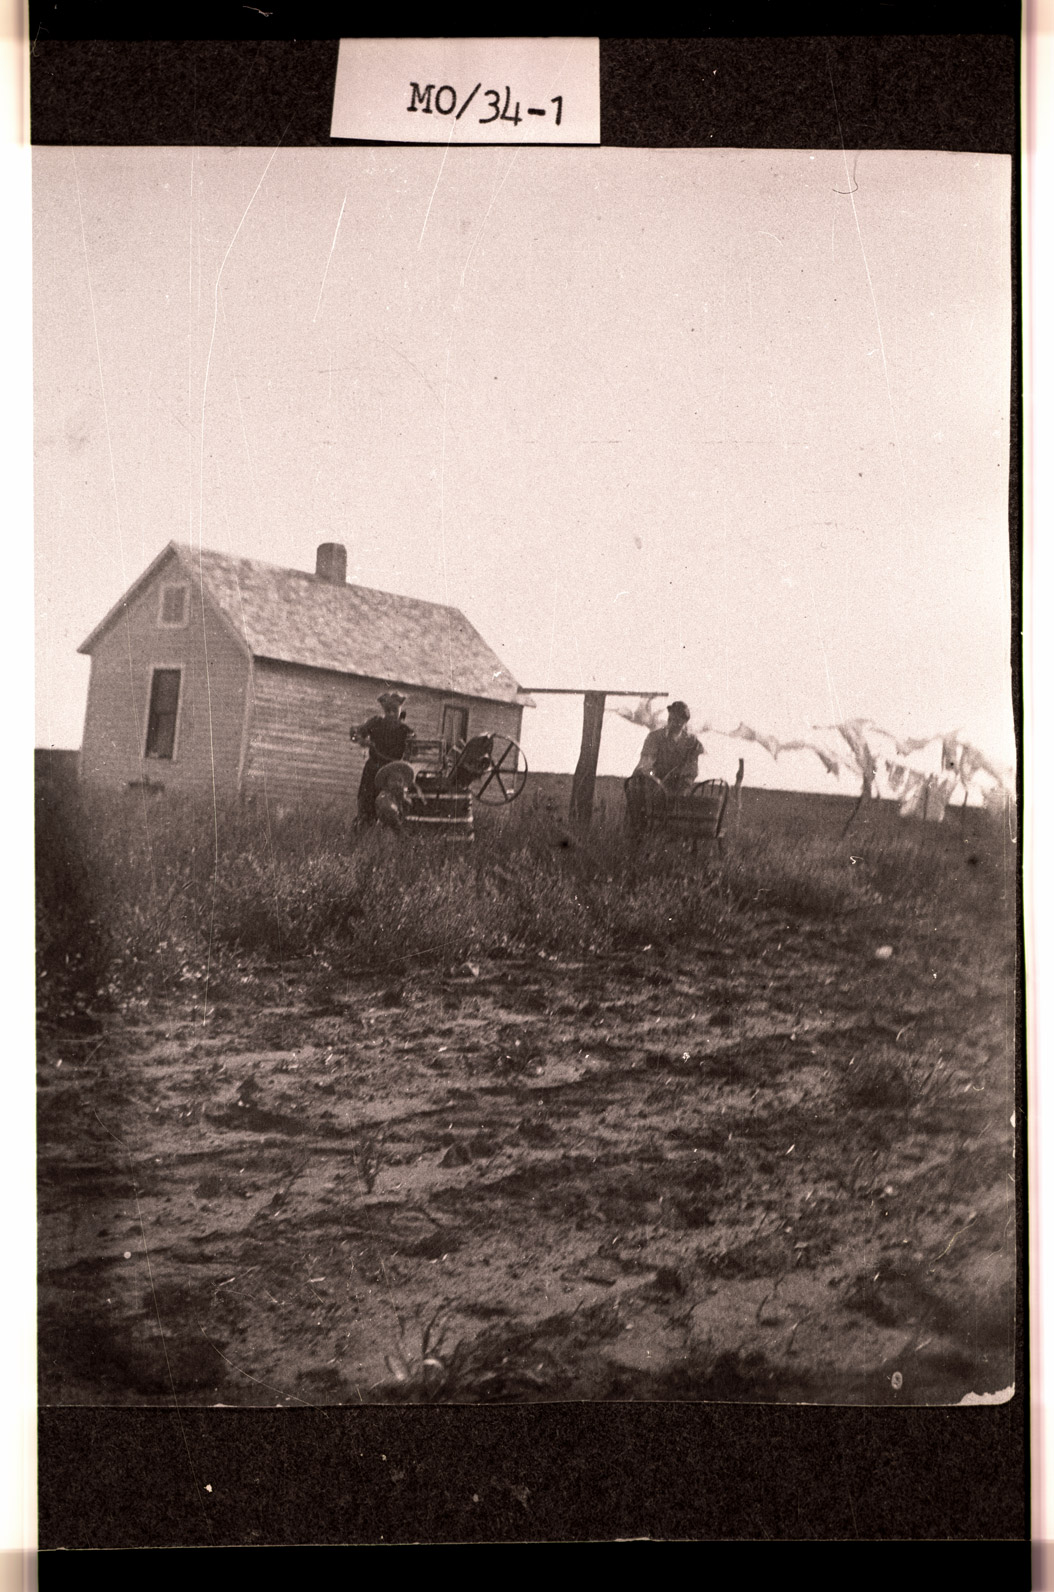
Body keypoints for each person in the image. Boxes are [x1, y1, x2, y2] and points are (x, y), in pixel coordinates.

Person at [625, 700, 703, 835]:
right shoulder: (655, 737)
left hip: (679, 786)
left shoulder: (692, 741)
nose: (673, 722)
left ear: (685, 722)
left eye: (678, 720)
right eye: (671, 718)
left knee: (678, 808)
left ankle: (668, 833)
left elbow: (692, 770)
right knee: (637, 793)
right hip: (654, 783)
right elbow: (645, 763)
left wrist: (680, 779)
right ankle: (638, 834)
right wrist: (652, 779)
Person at [351, 691, 415, 824]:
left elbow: (413, 753)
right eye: (387, 710)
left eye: (394, 710)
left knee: (390, 811)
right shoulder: (376, 723)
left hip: (392, 775)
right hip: (372, 771)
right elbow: (355, 733)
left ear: (400, 710)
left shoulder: (406, 731)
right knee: (365, 809)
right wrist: (361, 740)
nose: (391, 713)